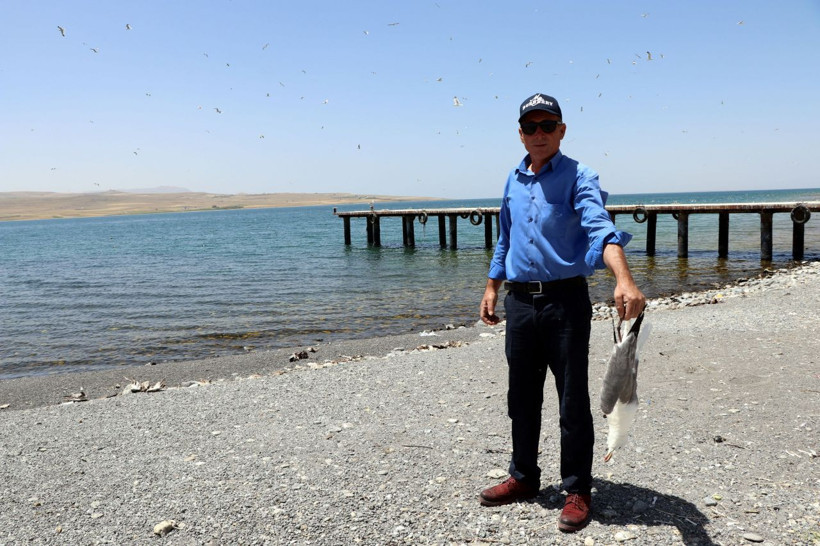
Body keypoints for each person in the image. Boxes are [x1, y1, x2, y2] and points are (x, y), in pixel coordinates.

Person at [478, 93, 646, 533]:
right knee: (522, 398)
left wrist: (623, 280)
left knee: (573, 400)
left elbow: (599, 227)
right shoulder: (513, 179)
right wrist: (492, 287)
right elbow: (505, 238)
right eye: (530, 127)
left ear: (561, 130)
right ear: (520, 133)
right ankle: (523, 477)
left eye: (547, 126)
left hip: (565, 302)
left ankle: (577, 488)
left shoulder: (579, 175)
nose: (538, 134)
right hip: (519, 303)